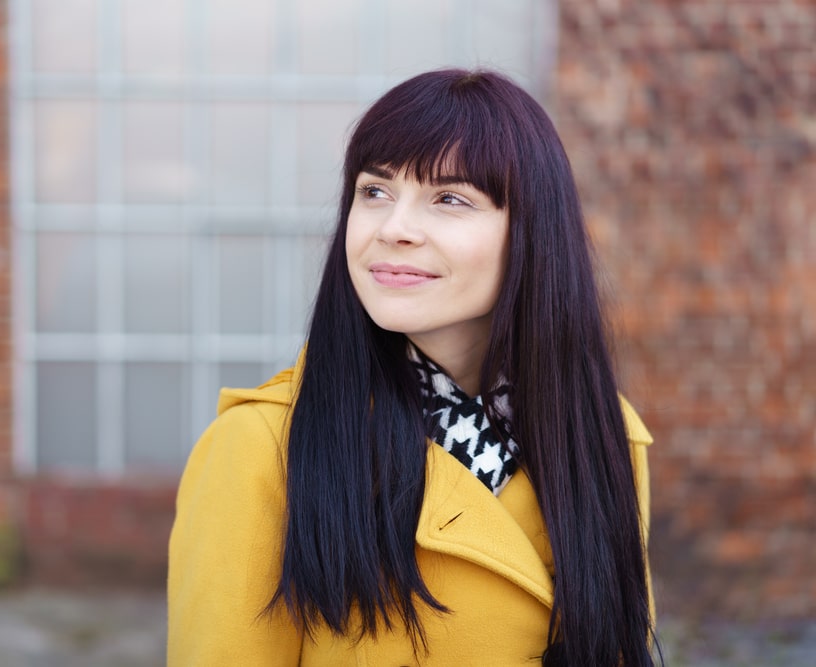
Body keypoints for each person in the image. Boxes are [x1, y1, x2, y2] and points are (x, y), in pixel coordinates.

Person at [168, 69, 660, 666]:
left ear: (533, 233)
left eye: (449, 198)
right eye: (374, 192)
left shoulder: (602, 432)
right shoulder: (261, 448)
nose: (394, 229)